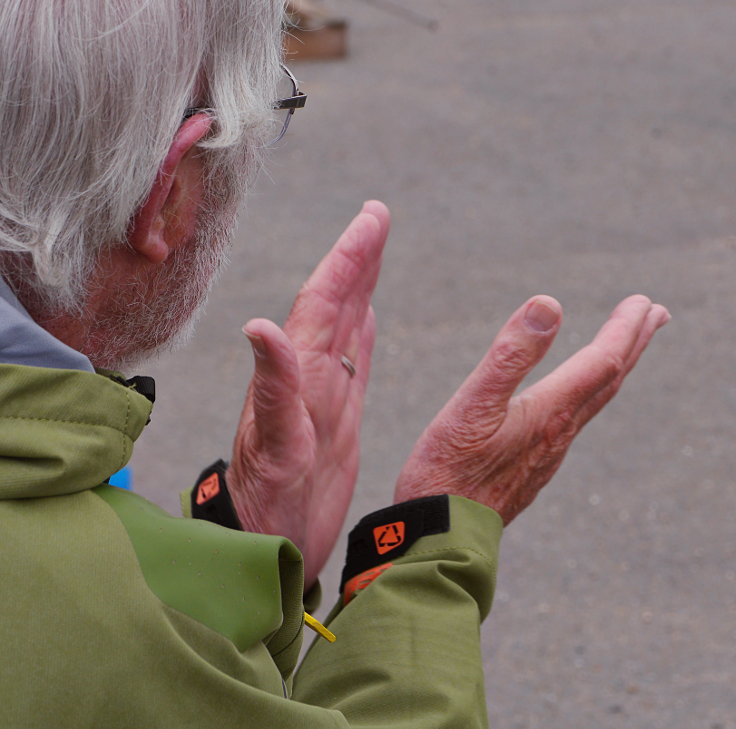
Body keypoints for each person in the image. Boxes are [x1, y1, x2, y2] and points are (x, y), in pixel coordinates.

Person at [0, 2, 669, 727]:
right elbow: (93, 644)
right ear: (165, 197)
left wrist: (236, 547)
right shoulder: (102, 617)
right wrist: (432, 547)